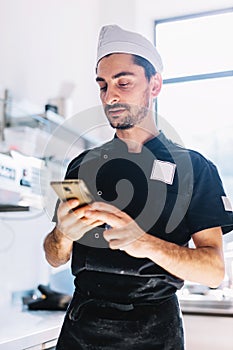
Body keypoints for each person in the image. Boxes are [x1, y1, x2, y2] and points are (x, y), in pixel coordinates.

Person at [44, 25, 233, 350]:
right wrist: (62, 234)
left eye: (123, 82)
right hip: (80, 330)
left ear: (154, 84)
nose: (110, 96)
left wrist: (143, 242)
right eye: (102, 85)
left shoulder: (194, 169)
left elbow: (214, 271)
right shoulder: (82, 165)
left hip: (154, 332)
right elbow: (54, 257)